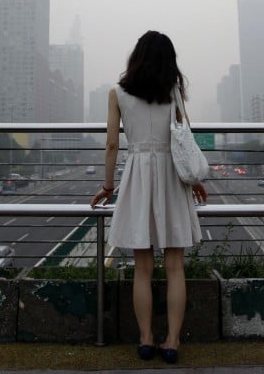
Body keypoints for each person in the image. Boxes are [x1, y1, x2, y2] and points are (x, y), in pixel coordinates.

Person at [90, 30, 207, 365]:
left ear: (136, 57)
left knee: (142, 268)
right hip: (172, 178)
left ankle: (145, 339)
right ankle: (171, 342)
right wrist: (194, 179)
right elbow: (184, 140)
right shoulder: (174, 93)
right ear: (169, 62)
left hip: (138, 176)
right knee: (174, 267)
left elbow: (112, 145)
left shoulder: (117, 93)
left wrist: (108, 186)